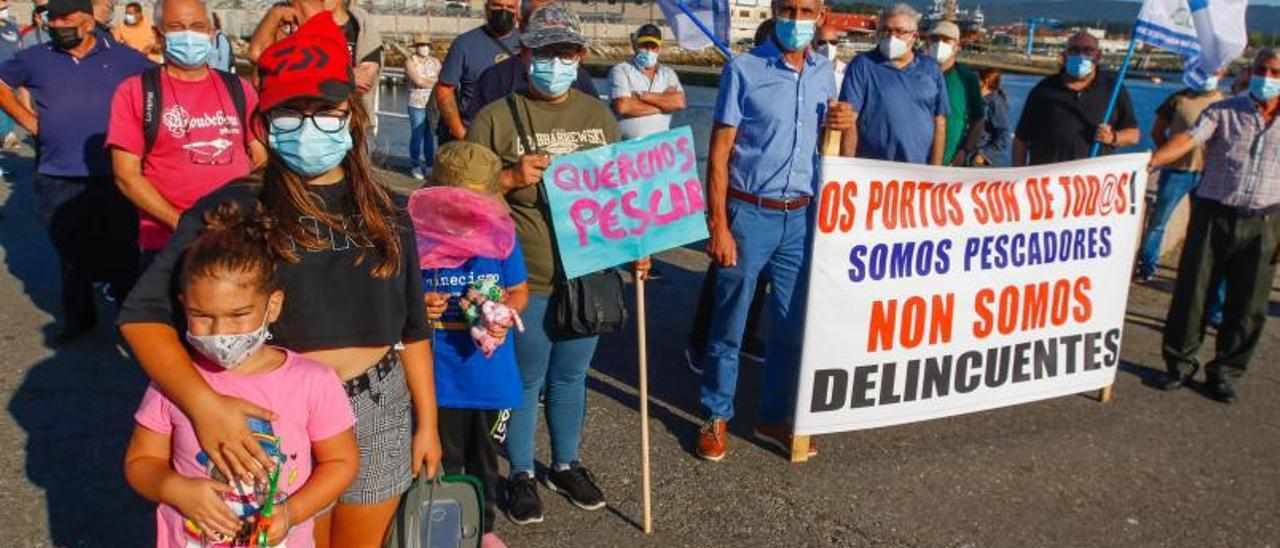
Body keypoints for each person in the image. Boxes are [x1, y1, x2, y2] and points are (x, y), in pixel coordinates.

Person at [118, 11, 442, 545]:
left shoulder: (391, 211)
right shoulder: (229, 207)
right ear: (264, 122)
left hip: (378, 403)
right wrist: (204, 405)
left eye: (325, 110)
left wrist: (427, 423)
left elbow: (412, 331)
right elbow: (142, 318)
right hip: (274, 411)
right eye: (290, 111)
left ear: (352, 115)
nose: (309, 124)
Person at [466, 4, 645, 525]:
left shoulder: (597, 116)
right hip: (525, 276)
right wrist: (508, 177)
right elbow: (464, 196)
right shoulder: (495, 116)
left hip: (587, 275)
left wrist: (641, 242)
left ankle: (566, 463)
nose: (553, 61)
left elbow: (622, 194)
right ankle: (521, 471)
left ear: (579, 56)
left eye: (564, 52)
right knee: (525, 378)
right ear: (524, 54)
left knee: (571, 376)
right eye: (542, 51)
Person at [124, 203, 360, 547]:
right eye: (201, 315)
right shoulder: (173, 382)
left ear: (273, 305)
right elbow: (140, 462)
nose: (220, 332)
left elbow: (341, 461)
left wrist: (292, 513)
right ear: (182, 304)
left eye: (238, 315)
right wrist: (176, 489)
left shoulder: (313, 381)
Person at [696, 0, 852, 462]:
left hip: (801, 217)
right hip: (749, 213)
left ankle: (775, 414)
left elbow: (835, 147)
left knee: (790, 324)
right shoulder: (743, 70)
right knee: (730, 322)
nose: (796, 18)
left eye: (806, 10)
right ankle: (715, 414)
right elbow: (719, 152)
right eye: (788, 8)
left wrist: (848, 124)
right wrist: (718, 224)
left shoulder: (826, 73)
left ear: (821, 15)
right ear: (776, 10)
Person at [0, 0, 153, 344]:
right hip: (58, 175)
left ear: (87, 21)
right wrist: (26, 121)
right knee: (71, 256)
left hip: (114, 174)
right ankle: (78, 321)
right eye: (52, 18)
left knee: (124, 253)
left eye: (65, 18)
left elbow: (158, 85)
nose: (56, 24)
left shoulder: (123, 58)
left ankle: (132, 325)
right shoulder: (36, 57)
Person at [1149, 49, 1280, 405]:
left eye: (1274, 72)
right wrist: (1151, 162)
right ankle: (1179, 364)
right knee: (1193, 291)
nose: (1266, 77)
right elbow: (1188, 140)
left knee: (1249, 303)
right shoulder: (1222, 111)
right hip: (1214, 212)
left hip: (1266, 218)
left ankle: (1224, 372)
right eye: (1261, 69)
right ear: (1250, 71)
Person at [413, 141, 526, 548]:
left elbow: (519, 291)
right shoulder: (415, 236)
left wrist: (503, 314)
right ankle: (439, 527)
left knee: (484, 458)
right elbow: (397, 292)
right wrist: (419, 305)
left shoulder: (503, 235)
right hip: (438, 370)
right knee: (440, 454)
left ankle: (483, 526)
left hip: (487, 371)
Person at [107, 0, 267, 268]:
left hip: (239, 235)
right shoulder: (136, 92)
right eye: (176, 27)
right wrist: (184, 224)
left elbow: (261, 158)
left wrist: (247, 215)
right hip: (168, 241)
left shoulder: (239, 88)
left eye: (197, 26)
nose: (189, 35)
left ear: (212, 33)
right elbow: (127, 176)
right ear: (159, 35)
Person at [1137, 72, 1226, 281]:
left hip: (1208, 173)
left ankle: (1194, 270)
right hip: (1177, 172)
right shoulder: (1178, 100)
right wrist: (1167, 155)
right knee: (1159, 221)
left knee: (1203, 226)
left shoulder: (1224, 102)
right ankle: (1147, 267)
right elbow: (1157, 131)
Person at [839, 3, 947, 165]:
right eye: (885, 31)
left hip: (917, 170)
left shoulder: (931, 69)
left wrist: (936, 170)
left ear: (914, 37)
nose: (891, 37)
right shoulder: (862, 65)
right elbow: (849, 121)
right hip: (872, 169)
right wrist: (849, 167)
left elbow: (939, 121)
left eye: (899, 31)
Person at [1012, 31, 1139, 166]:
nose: (1081, 55)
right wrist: (1017, 177)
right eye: (1074, 50)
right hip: (1047, 180)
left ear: (1098, 56)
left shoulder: (1113, 89)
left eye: (1088, 50)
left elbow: (1133, 135)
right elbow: (1021, 139)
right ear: (1065, 56)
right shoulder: (1043, 90)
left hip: (1091, 180)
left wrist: (1113, 137)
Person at [435, 0, 521, 144]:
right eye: (497, 5)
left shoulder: (528, 43)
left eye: (510, 7)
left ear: (517, 11)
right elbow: (444, 89)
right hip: (477, 134)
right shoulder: (464, 44)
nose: (503, 11)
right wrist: (460, 132)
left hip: (517, 136)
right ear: (487, 8)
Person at [608, 23, 685, 141]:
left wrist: (642, 96)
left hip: (660, 150)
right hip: (628, 149)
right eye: (644, 45)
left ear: (659, 48)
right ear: (635, 46)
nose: (649, 50)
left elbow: (679, 102)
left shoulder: (668, 73)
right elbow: (623, 106)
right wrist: (663, 106)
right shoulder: (621, 70)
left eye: (653, 46)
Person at [927, 21, 984, 166]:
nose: (939, 44)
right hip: (912, 161)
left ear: (957, 46)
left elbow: (978, 120)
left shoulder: (967, 78)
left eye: (946, 40)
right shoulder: (914, 73)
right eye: (935, 39)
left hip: (950, 164)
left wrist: (965, 151)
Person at [405, 32, 440, 180]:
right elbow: (418, 81)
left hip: (433, 104)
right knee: (417, 135)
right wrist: (433, 81)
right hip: (416, 104)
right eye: (420, 45)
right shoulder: (410, 61)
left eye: (426, 45)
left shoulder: (435, 61)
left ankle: (430, 164)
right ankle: (415, 165)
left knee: (430, 135)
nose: (424, 48)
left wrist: (428, 81)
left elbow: (442, 79)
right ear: (415, 47)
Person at [972, 67, 1011, 166]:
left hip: (979, 159)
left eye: (977, 79)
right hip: (967, 154)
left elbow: (1003, 136)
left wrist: (983, 155)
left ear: (986, 81)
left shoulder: (996, 103)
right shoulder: (975, 99)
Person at [813, 24, 845, 90]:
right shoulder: (806, 72)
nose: (828, 46)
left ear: (838, 45)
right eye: (822, 42)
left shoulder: (847, 71)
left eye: (833, 42)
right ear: (814, 45)